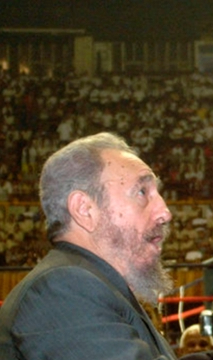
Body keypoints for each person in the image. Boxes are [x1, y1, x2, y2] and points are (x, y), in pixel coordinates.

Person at [0, 132, 177, 359]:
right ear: (85, 209)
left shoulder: (96, 286)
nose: (165, 212)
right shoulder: (62, 289)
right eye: (142, 192)